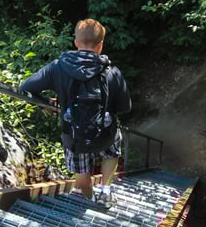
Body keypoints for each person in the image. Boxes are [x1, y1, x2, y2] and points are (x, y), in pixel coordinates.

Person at [20, 19, 132, 206]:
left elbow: (26, 88)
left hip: (74, 136)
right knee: (113, 144)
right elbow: (124, 108)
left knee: (82, 178)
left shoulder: (57, 67)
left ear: (76, 43)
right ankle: (106, 190)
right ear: (101, 45)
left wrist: (47, 104)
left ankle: (90, 198)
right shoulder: (112, 71)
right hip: (105, 134)